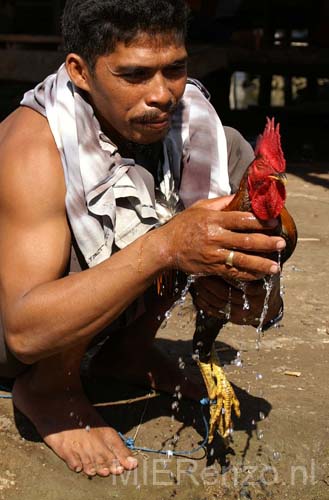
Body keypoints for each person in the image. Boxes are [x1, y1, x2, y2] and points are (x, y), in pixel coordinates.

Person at [0, 0, 285, 478]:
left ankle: (125, 353)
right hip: (16, 328)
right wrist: (166, 245)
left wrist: (248, 283)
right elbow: (23, 333)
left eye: (174, 69)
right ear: (81, 72)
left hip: (76, 315)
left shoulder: (191, 125)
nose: (162, 94)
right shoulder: (34, 149)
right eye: (134, 74)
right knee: (153, 227)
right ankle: (51, 387)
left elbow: (262, 303)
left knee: (229, 157)